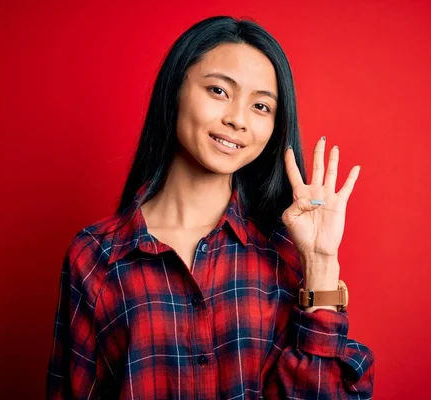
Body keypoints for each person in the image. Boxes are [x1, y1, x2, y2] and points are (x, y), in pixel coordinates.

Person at [46, 15, 374, 399]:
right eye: (219, 91)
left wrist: (320, 263)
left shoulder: (283, 255)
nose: (237, 119)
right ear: (175, 90)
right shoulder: (96, 258)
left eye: (261, 107)